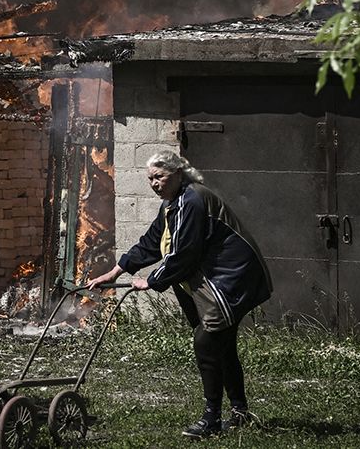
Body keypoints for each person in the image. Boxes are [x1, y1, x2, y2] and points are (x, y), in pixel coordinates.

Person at [88, 149, 272, 439]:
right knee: (221, 344)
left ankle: (211, 419)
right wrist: (115, 273)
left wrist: (150, 281)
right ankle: (239, 412)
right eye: (150, 178)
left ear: (176, 174)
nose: (154, 183)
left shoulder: (192, 200)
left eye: (159, 177)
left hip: (231, 277)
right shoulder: (174, 203)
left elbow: (184, 253)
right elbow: (152, 241)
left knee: (206, 341)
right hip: (218, 278)